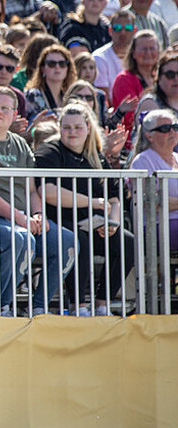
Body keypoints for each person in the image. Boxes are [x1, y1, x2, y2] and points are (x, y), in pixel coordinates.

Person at [0, 86, 76, 316]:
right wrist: (20, 218)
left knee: (67, 242)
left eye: (5, 108)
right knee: (20, 238)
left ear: (14, 114)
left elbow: (31, 189)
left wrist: (38, 215)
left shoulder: (20, 144)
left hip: (23, 217)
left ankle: (39, 307)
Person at [36, 102, 134, 316]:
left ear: (88, 128)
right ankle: (77, 306)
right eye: (67, 127)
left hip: (96, 223)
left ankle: (101, 304)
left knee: (127, 241)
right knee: (81, 239)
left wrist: (113, 223)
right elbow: (48, 191)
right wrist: (92, 202)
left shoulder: (96, 156)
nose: (72, 132)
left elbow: (114, 197)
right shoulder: (50, 151)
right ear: (59, 128)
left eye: (78, 127)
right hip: (60, 221)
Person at [129, 108, 178, 250]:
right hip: (158, 225)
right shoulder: (142, 161)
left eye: (175, 127)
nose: (172, 132)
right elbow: (150, 201)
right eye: (165, 128)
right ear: (149, 135)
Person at [111, 29, 160, 140]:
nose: (148, 53)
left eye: (152, 48)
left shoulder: (164, 78)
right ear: (133, 52)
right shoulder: (124, 80)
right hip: (134, 141)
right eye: (143, 49)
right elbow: (132, 117)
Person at [24, 44, 75, 121]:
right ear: (43, 68)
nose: (57, 67)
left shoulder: (70, 97)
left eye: (62, 64)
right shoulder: (32, 95)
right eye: (52, 64)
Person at [92, 9, 136, 98]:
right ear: (110, 30)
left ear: (134, 30)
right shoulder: (99, 57)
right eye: (117, 28)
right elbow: (104, 98)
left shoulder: (141, 56)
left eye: (128, 28)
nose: (122, 32)